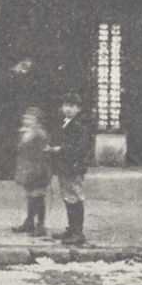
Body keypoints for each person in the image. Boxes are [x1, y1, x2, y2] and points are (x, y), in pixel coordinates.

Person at [48, 90, 91, 245]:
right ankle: (72, 229)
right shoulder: (66, 123)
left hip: (74, 166)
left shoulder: (79, 125)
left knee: (75, 197)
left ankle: (78, 232)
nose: (68, 109)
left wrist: (60, 149)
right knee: (68, 196)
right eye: (66, 105)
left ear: (79, 109)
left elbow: (79, 147)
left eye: (72, 106)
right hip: (65, 165)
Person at [12, 106, 51, 236]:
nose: (27, 120)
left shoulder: (40, 134)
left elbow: (42, 153)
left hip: (38, 169)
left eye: (31, 118)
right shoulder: (25, 132)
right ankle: (29, 222)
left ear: (38, 121)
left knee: (38, 196)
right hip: (27, 169)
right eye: (26, 117)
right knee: (30, 196)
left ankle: (40, 225)